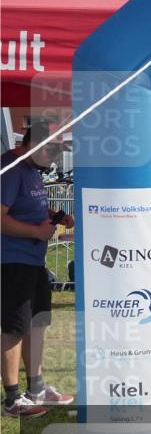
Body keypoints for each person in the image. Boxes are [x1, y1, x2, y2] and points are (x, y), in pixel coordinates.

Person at [1, 122, 74, 417]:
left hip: (32, 261)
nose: (56, 157)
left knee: (37, 322)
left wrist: (55, 215)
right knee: (14, 327)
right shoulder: (10, 168)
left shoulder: (31, 170)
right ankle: (13, 398)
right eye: (53, 150)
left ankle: (37, 388)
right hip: (11, 261)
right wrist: (35, 231)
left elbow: (29, 205)